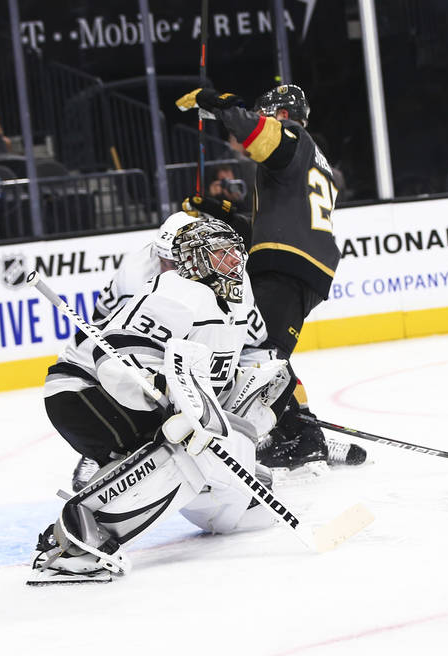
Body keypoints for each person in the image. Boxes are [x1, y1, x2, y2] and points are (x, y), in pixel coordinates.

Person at [31, 215, 287, 583]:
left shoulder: (233, 298)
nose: (235, 259)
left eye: (234, 250)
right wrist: (167, 394)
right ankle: (72, 541)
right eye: (220, 253)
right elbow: (115, 357)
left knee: (224, 464)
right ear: (197, 261)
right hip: (83, 392)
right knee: (178, 448)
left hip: (123, 398)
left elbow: (219, 376)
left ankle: (222, 494)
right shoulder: (180, 292)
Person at [66, 203, 367, 492]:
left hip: (195, 358)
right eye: (165, 262)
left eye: (177, 261)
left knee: (272, 368)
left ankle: (291, 437)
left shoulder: (227, 278)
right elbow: (106, 339)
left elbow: (256, 346)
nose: (171, 268)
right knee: (120, 387)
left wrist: (281, 403)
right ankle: (100, 452)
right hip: (143, 356)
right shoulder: (136, 276)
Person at [176, 83, 346, 476]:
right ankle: (299, 429)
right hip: (295, 262)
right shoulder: (306, 162)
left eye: (267, 114)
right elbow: (269, 226)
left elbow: (256, 133)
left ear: (283, 115)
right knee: (265, 351)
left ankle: (303, 438)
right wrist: (220, 212)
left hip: (287, 264)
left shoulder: (293, 138)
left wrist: (220, 104)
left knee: (261, 357)